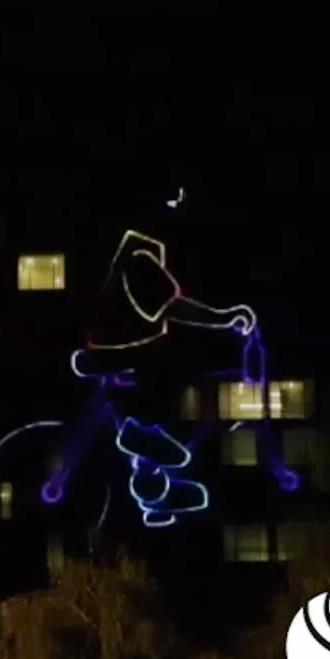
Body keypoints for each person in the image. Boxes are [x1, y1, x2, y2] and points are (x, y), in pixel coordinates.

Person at [72, 225, 257, 527]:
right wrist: (224, 318)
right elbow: (174, 307)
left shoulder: (136, 257)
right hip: (121, 349)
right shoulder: (139, 260)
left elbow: (167, 306)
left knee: (168, 373)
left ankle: (154, 489)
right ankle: (140, 437)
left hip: (123, 348)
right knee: (168, 372)